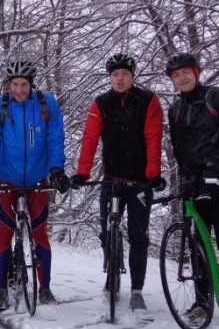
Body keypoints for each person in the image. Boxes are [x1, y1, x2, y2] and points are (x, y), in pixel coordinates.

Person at [0, 59, 70, 312]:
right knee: (4, 235)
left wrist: (57, 169)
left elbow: (55, 138)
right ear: (9, 84)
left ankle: (45, 288)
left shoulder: (46, 104)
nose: (19, 90)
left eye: (23, 84)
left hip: (38, 178)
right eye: (14, 84)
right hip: (7, 178)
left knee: (40, 235)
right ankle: (2, 290)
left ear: (31, 83)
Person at [70, 53, 164, 311]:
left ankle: (136, 289)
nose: (119, 79)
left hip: (140, 182)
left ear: (132, 76)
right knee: (106, 232)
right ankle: (112, 278)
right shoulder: (101, 103)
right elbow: (89, 139)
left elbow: (153, 137)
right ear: (109, 78)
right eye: (115, 75)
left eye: (124, 74)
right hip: (110, 179)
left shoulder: (148, 101)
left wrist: (154, 173)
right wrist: (82, 173)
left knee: (138, 236)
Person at [165, 52, 219, 324]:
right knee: (197, 246)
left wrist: (216, 165)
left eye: (186, 72)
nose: (182, 78)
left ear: (197, 72)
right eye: (176, 75)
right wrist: (186, 178)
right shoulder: (175, 109)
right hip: (195, 183)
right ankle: (202, 302)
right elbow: (178, 148)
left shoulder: (218, 96)